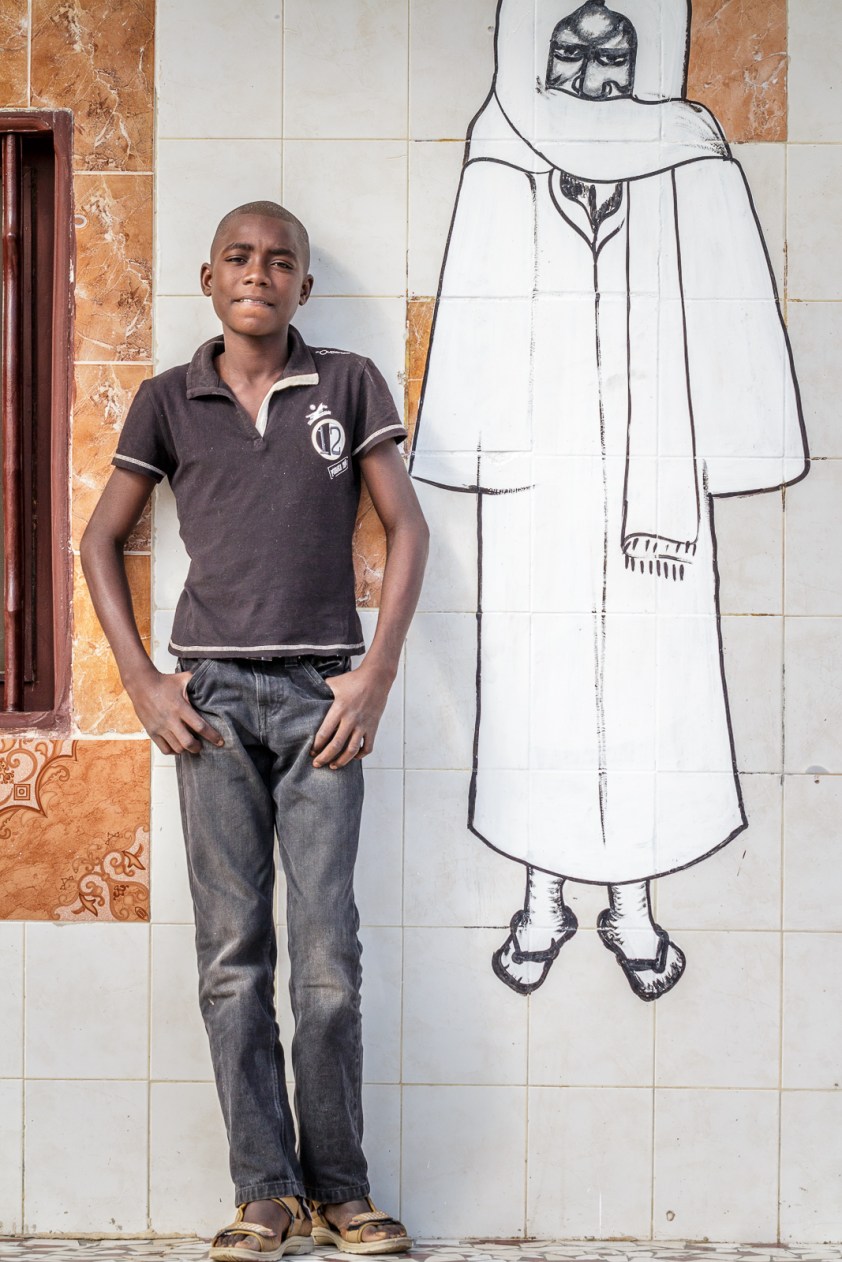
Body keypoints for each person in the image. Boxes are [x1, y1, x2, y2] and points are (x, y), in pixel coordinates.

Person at [409, 0, 807, 1001]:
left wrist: (733, 438)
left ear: (647, 57)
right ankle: (540, 897)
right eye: (570, 48)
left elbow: (730, 300)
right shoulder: (500, 141)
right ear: (535, 53)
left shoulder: (685, 143)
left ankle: (629, 901)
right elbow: (471, 306)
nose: (592, 71)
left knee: (650, 692)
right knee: (534, 691)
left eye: (615, 49)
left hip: (652, 479)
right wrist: (472, 442)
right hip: (539, 483)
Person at [82, 201, 428, 1257]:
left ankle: (343, 1188)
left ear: (303, 289)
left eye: (281, 261)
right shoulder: (165, 400)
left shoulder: (349, 383)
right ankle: (264, 1191)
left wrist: (372, 675)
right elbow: (99, 542)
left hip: (322, 696)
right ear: (208, 275)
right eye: (239, 256)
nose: (259, 272)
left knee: (328, 960)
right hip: (214, 705)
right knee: (233, 957)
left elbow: (406, 524)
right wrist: (145, 680)